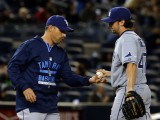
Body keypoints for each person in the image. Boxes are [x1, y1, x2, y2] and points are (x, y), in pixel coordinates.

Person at [7, 15, 105, 120]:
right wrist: (24, 87)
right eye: (61, 30)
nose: (64, 35)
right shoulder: (30, 45)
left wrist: (90, 80)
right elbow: (12, 68)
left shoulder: (61, 53)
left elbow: (69, 78)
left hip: (51, 107)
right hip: (31, 105)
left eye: (65, 32)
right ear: (50, 28)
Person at [98, 7, 151, 120]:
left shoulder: (126, 38)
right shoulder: (137, 38)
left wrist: (130, 92)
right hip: (142, 88)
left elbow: (131, 65)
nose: (109, 25)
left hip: (129, 89)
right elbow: (130, 68)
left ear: (122, 22)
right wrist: (110, 74)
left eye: (112, 22)